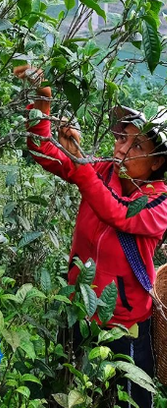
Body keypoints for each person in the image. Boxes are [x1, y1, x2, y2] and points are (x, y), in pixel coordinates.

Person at [14, 65, 167, 407]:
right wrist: (43, 100)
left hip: (123, 327)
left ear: (158, 162)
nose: (121, 149)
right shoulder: (101, 171)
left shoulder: (159, 202)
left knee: (126, 401)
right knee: (62, 392)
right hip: (77, 309)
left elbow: (116, 211)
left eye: (136, 144)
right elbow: (45, 154)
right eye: (122, 137)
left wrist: (81, 164)